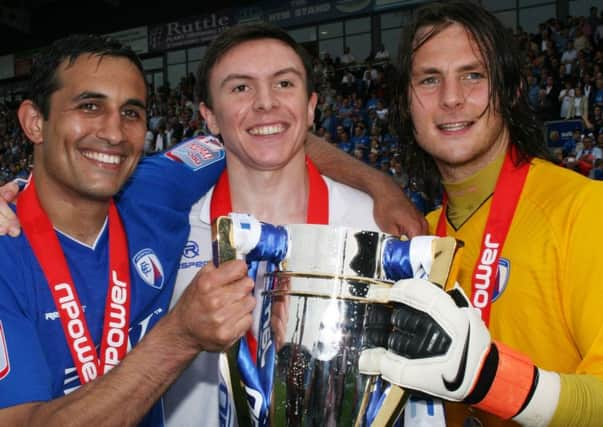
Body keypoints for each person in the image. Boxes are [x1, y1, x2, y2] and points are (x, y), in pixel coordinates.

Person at [360, 2, 603, 427]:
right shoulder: (418, 243)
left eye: (473, 75)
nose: (452, 98)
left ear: (510, 89)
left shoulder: (583, 210)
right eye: (430, 80)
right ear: (406, 103)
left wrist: (492, 379)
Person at [0, 34, 255, 426]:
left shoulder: (156, 188)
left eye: (131, 113)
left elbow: (261, 136)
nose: (115, 133)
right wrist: (179, 337)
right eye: (90, 106)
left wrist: (380, 189)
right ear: (36, 122)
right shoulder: (6, 253)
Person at [163, 23, 383, 426]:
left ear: (312, 106)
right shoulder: (168, 237)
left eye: (284, 83)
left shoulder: (373, 226)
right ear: (209, 117)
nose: (265, 103)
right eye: (241, 88)